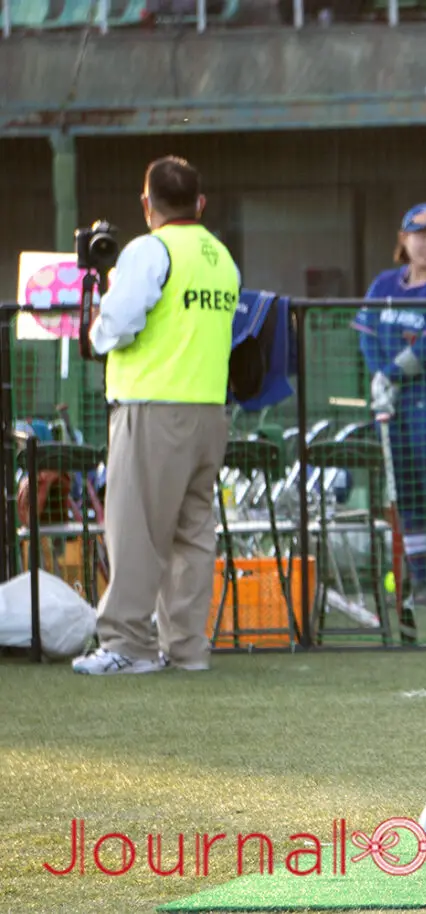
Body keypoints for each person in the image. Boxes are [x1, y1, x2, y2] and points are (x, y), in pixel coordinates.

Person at [72, 156, 239, 675]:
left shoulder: (150, 249)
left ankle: (128, 643)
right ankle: (187, 649)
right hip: (209, 410)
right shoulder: (221, 257)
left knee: (136, 529)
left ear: (147, 205)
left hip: (151, 408)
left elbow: (118, 322)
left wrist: (95, 334)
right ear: (201, 203)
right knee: (193, 535)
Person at [352, 204, 426, 606]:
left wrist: (391, 373)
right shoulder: (385, 284)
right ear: (403, 239)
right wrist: (378, 376)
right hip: (393, 404)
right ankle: (420, 582)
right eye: (420, 236)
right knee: (407, 491)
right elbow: (367, 334)